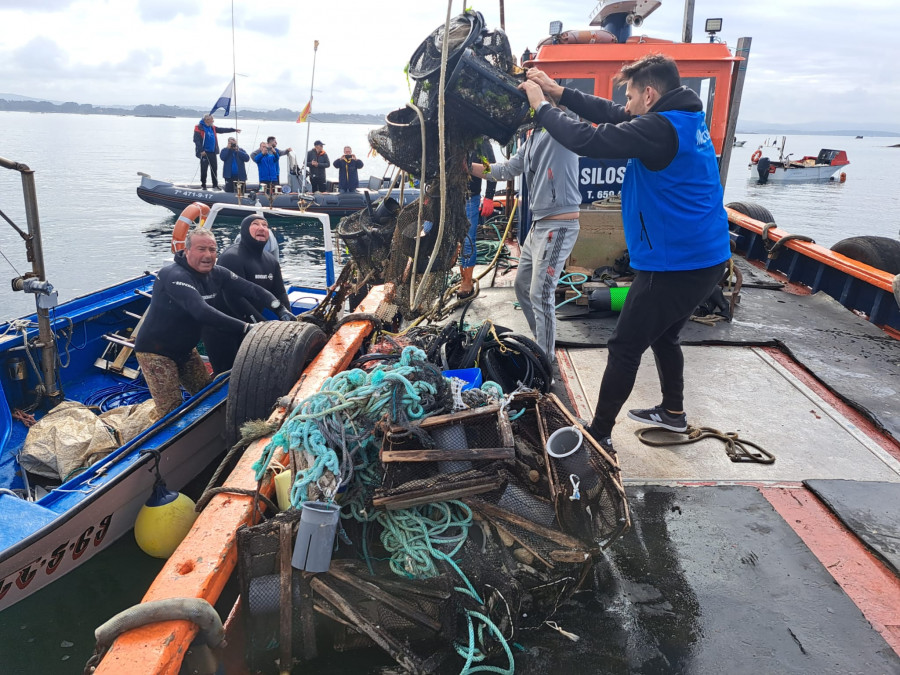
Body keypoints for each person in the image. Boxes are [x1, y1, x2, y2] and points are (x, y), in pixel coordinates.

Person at [522, 54, 731, 452]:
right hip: (707, 256)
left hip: (676, 264)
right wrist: (557, 90)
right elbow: (614, 113)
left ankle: (598, 434)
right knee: (666, 335)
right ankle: (672, 415)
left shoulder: (658, 128)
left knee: (624, 347)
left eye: (633, 96)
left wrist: (541, 106)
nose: (628, 104)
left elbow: (589, 140)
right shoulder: (682, 117)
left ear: (650, 94)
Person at [134, 228, 294, 418]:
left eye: (212, 250)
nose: (208, 255)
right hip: (155, 352)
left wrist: (280, 308)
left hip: (185, 350)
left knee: (208, 397)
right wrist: (247, 328)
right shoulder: (173, 275)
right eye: (201, 249)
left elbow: (252, 289)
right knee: (171, 412)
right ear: (187, 251)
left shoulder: (217, 273)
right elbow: (201, 311)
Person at [469, 109, 580, 364]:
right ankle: (539, 344)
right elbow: (506, 169)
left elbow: (568, 117)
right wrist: (469, 167)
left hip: (559, 225)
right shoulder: (532, 137)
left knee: (541, 293)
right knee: (522, 286)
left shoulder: (562, 129)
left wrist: (543, 99)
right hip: (538, 225)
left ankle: (546, 362)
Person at [202, 214, 291, 373]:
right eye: (255, 224)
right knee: (227, 377)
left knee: (251, 374)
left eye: (265, 225)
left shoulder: (271, 261)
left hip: (251, 327)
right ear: (244, 230)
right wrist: (261, 324)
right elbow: (233, 298)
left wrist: (288, 319)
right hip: (223, 330)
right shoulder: (232, 257)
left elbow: (280, 293)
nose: (261, 228)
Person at [458, 141, 497, 300]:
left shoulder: (481, 141)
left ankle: (467, 281)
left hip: (470, 198)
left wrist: (489, 197)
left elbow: (491, 169)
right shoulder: (447, 136)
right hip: (447, 196)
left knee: (468, 239)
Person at [193, 114, 240, 190]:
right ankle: (203, 185)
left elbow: (222, 130)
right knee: (204, 169)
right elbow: (196, 140)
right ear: (207, 120)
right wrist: (201, 150)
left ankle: (215, 185)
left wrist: (233, 130)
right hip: (204, 152)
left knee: (214, 169)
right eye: (212, 120)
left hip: (212, 152)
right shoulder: (199, 127)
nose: (213, 121)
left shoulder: (212, 127)